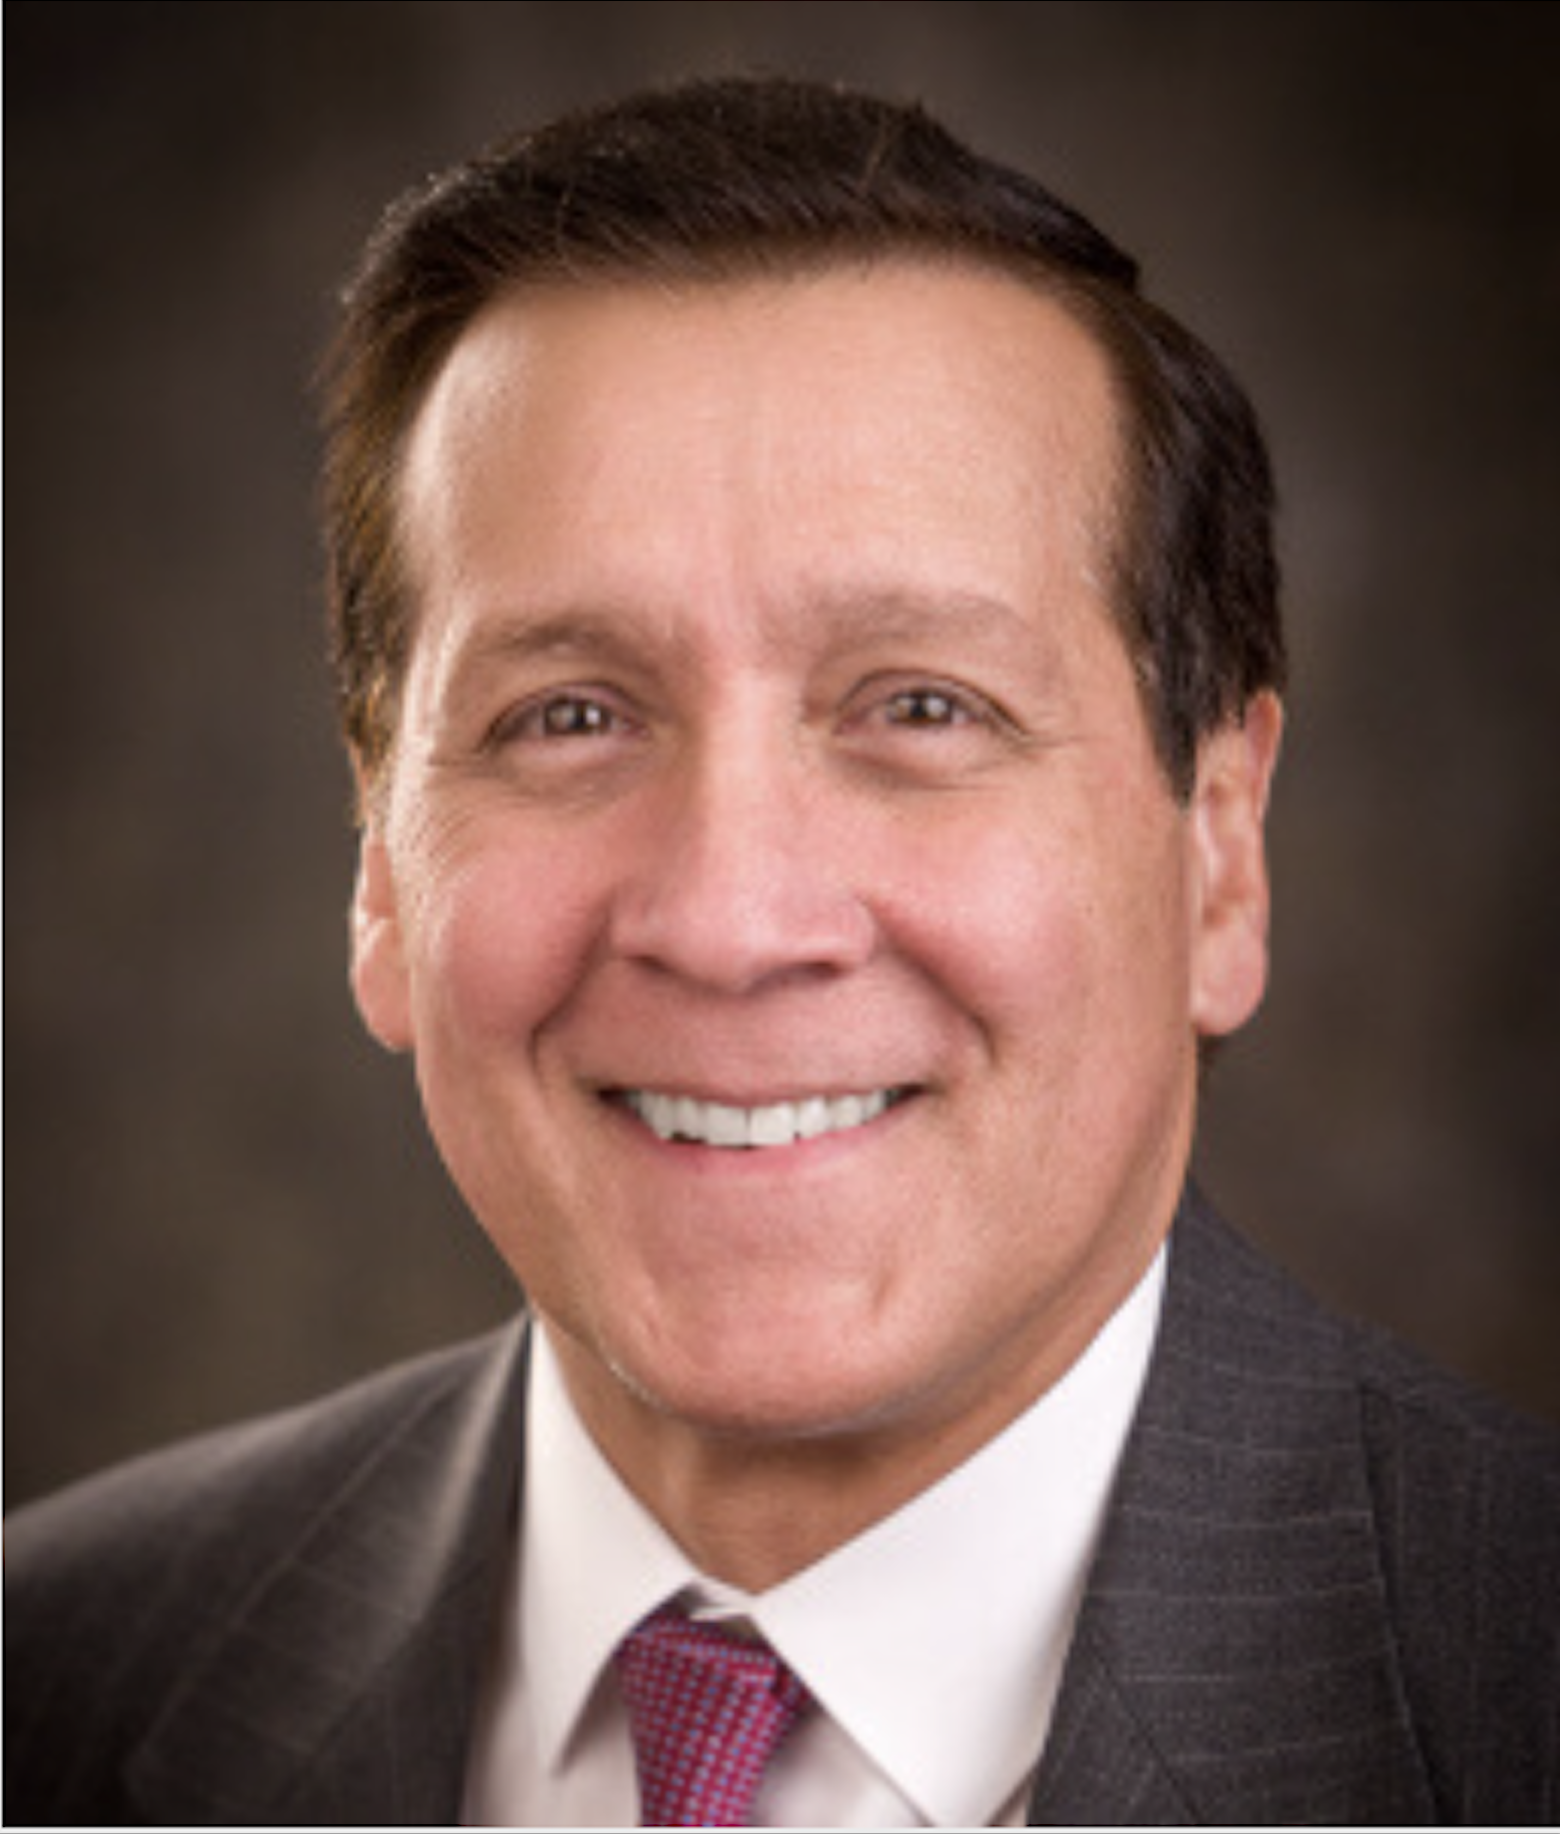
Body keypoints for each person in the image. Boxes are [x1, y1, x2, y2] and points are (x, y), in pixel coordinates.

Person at [6, 74, 1556, 1829]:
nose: (732, 922)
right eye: (569, 713)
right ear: (380, 864)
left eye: (921, 706)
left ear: (1217, 852)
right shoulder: (49, 1676)